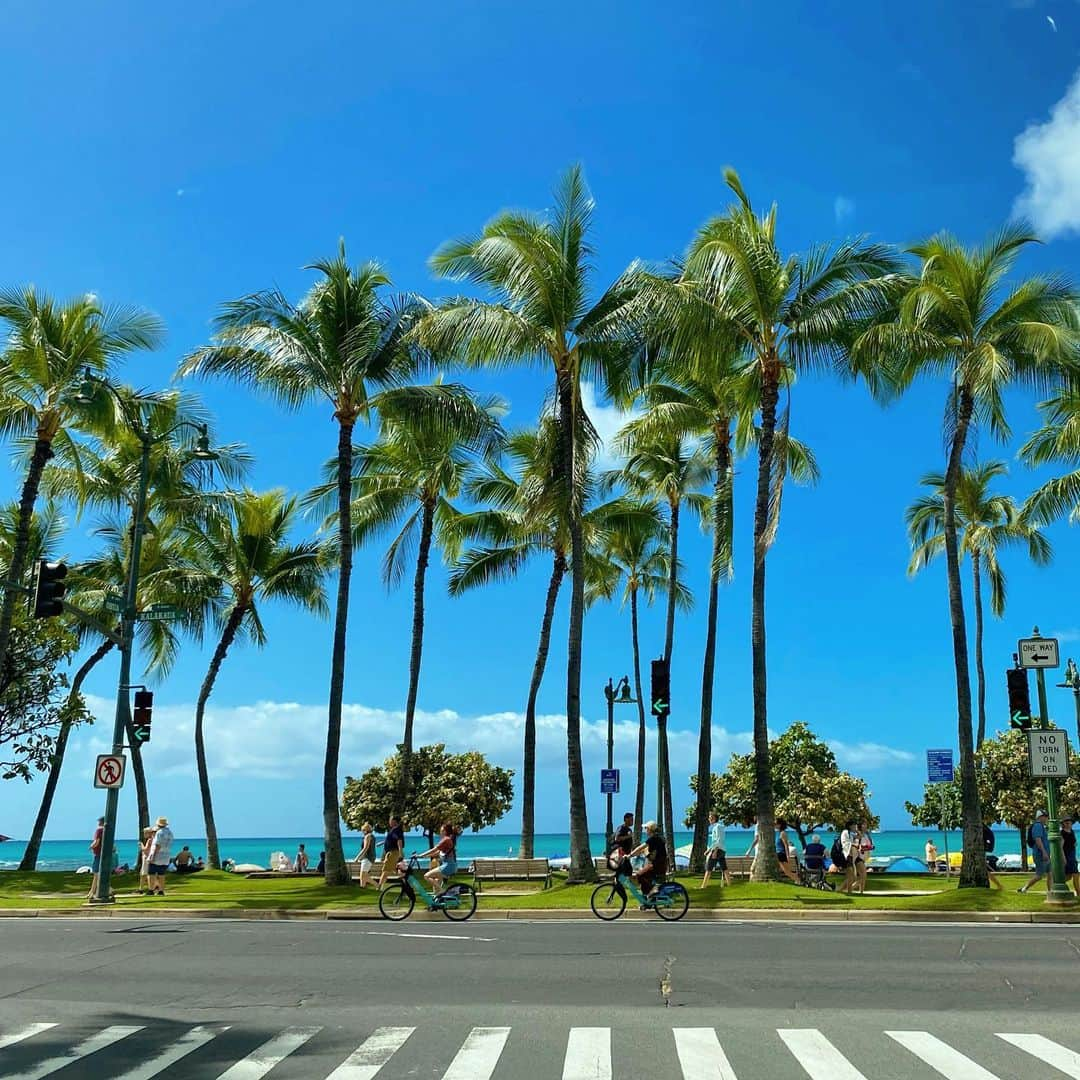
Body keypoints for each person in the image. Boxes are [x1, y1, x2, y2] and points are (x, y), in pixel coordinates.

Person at [628, 820, 668, 901]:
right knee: (643, 877)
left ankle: (653, 891)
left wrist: (629, 855)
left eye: (646, 829)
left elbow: (640, 848)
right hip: (660, 865)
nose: (645, 831)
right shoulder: (657, 838)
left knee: (639, 875)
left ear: (650, 829)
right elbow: (645, 851)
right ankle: (648, 899)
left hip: (656, 866)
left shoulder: (653, 839)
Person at [418, 823, 458, 893]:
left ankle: (442, 891)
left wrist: (421, 855)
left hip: (447, 867)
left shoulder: (446, 839)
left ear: (445, 831)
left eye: (441, 830)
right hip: (449, 866)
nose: (440, 832)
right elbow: (438, 853)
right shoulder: (447, 840)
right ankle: (437, 901)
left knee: (426, 876)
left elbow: (434, 849)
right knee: (436, 884)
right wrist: (425, 856)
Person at [1019, 811, 1051, 894]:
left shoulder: (1041, 826)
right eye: (1045, 816)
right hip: (1040, 854)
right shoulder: (1038, 826)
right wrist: (1044, 852)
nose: (1047, 818)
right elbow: (1038, 840)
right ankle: (1024, 888)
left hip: (1045, 854)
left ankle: (1051, 892)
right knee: (1039, 875)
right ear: (1040, 817)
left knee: (1050, 873)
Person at [700, 812, 729, 888]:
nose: (709, 819)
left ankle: (703, 886)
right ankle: (729, 885)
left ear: (714, 818)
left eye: (710, 817)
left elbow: (718, 840)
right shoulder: (718, 827)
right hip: (721, 850)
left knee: (708, 868)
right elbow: (716, 841)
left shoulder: (717, 827)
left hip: (718, 850)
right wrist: (708, 850)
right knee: (724, 868)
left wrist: (715, 851)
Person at [146, 816, 173, 896]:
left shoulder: (159, 832)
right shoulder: (170, 832)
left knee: (151, 873)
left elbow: (157, 845)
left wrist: (152, 857)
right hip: (166, 855)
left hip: (157, 855)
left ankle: (151, 890)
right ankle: (161, 890)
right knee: (162, 874)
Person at [378, 816, 405, 888]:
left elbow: (399, 841)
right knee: (398, 870)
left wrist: (400, 852)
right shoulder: (394, 830)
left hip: (393, 853)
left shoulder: (397, 830)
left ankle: (379, 887)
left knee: (385, 871)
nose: (389, 821)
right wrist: (382, 843)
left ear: (394, 821)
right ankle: (406, 885)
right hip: (392, 852)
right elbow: (391, 840)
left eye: (390, 820)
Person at [87, 816, 106, 900]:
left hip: (98, 854)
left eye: (99, 821)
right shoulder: (106, 830)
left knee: (96, 874)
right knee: (98, 874)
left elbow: (97, 842)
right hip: (104, 854)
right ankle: (91, 892)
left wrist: (91, 846)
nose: (98, 823)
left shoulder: (99, 830)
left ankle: (93, 892)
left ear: (100, 822)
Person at [775, 818, 798, 882]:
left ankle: (799, 881)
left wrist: (788, 856)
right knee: (787, 872)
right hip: (779, 854)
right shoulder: (778, 833)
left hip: (781, 854)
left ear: (779, 825)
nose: (774, 825)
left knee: (787, 872)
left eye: (775, 824)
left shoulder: (783, 833)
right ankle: (798, 880)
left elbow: (786, 845)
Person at [839, 821, 858, 894]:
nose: (855, 827)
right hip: (846, 856)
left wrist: (857, 831)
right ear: (850, 826)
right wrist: (854, 845)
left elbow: (859, 837)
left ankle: (840, 890)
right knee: (851, 876)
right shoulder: (845, 832)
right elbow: (845, 843)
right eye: (854, 826)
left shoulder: (851, 833)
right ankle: (849, 892)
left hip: (850, 856)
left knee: (851, 876)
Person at [356, 823, 377, 888]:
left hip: (368, 857)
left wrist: (357, 857)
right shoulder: (372, 836)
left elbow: (365, 848)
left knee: (363, 875)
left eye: (363, 830)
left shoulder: (367, 836)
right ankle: (362, 887)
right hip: (369, 857)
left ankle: (377, 885)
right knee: (363, 874)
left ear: (365, 830)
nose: (362, 832)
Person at [1062, 816, 1079, 897]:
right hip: (1067, 857)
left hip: (1072, 855)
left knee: (1069, 876)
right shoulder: (1062, 833)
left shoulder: (1071, 831)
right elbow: (1060, 847)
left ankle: (1058, 883)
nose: (1068, 823)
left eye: (1069, 822)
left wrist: (1075, 844)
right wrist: (1064, 858)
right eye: (1066, 822)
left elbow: (1074, 842)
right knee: (1075, 874)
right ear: (1063, 824)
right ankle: (1079, 893)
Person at [137, 826, 156, 894]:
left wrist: (141, 844)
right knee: (144, 874)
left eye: (145, 833)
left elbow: (145, 849)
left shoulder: (150, 840)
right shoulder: (153, 840)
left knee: (145, 874)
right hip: (148, 858)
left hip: (146, 858)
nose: (144, 834)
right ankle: (141, 888)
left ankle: (148, 889)